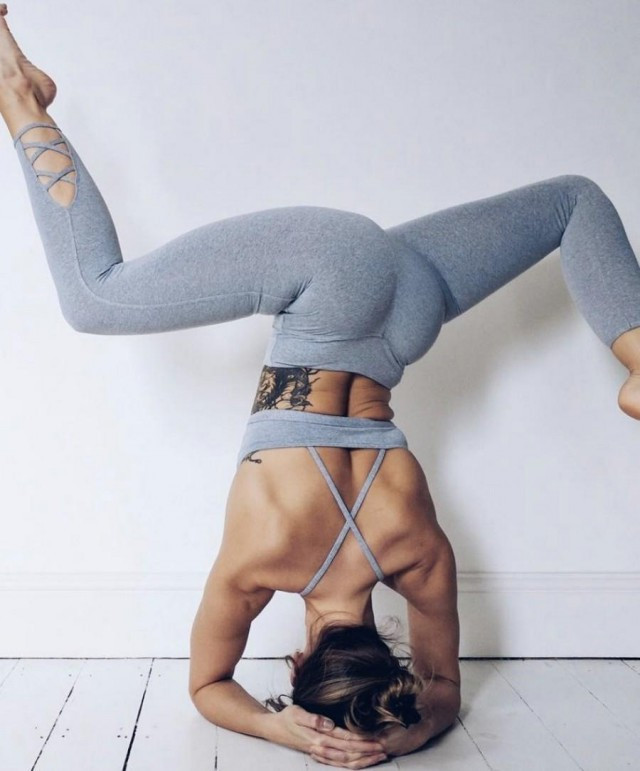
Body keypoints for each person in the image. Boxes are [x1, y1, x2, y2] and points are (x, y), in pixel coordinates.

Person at [2, 5, 640, 768]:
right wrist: (282, 728)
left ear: (386, 653)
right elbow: (207, 685)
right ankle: (19, 95)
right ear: (297, 663)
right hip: (329, 280)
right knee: (94, 297)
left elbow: (443, 688)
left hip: (408, 314)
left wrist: (407, 729)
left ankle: (636, 349)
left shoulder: (416, 555)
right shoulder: (260, 560)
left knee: (572, 199)